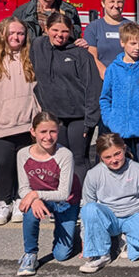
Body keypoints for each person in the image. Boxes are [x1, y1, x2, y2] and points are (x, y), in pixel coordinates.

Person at [0, 17, 41, 225]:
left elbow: (38, 94)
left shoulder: (31, 58)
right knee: (3, 164)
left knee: (23, 165)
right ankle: (4, 202)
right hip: (0, 126)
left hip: (26, 124)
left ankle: (21, 199)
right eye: (12, 33)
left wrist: (38, 124)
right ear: (2, 34)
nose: (16, 37)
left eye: (20, 33)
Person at [78, 133, 139, 274]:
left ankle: (127, 242)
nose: (114, 160)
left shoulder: (138, 170)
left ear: (124, 149)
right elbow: (86, 207)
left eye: (117, 154)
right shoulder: (93, 174)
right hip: (109, 218)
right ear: (100, 157)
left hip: (134, 215)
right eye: (108, 157)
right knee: (90, 208)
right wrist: (85, 239)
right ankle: (101, 254)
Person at [30, 11, 101, 181]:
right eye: (55, 30)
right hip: (53, 117)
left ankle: (83, 200)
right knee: (58, 158)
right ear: (46, 29)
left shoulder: (80, 53)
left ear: (71, 31)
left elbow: (94, 87)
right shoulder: (37, 46)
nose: (60, 35)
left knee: (78, 160)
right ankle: (62, 199)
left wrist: (90, 121)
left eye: (64, 31)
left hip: (79, 118)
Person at [15, 112, 82, 276]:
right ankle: (30, 254)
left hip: (65, 202)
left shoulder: (64, 155)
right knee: (28, 210)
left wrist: (34, 195)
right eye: (43, 132)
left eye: (53, 131)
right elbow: (23, 188)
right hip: (42, 200)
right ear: (33, 131)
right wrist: (33, 198)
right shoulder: (23, 154)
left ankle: (73, 230)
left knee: (61, 255)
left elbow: (63, 193)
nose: (48, 137)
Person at [99, 22, 139, 184]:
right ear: (122, 43)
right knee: (120, 169)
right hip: (118, 131)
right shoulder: (113, 69)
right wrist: (110, 120)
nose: (137, 48)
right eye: (133, 43)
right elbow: (105, 98)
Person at [82, 0, 129, 78]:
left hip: (127, 78)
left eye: (119, 2)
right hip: (102, 80)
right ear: (103, 3)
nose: (116, 5)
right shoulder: (93, 28)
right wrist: (108, 76)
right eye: (112, 1)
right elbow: (92, 58)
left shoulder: (132, 27)